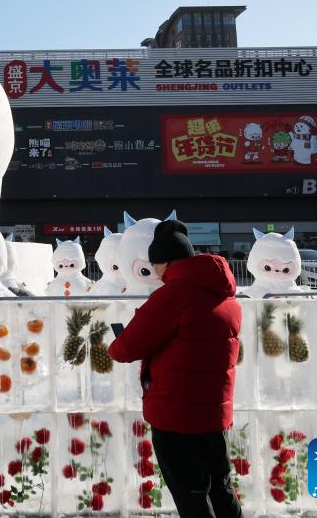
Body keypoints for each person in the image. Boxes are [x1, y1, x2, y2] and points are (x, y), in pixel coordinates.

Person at [109, 219, 243, 518]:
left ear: (165, 262)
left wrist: (119, 342)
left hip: (177, 415)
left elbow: (126, 348)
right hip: (214, 413)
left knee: (191, 494)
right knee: (220, 487)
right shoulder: (226, 296)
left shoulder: (173, 295)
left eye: (154, 264)